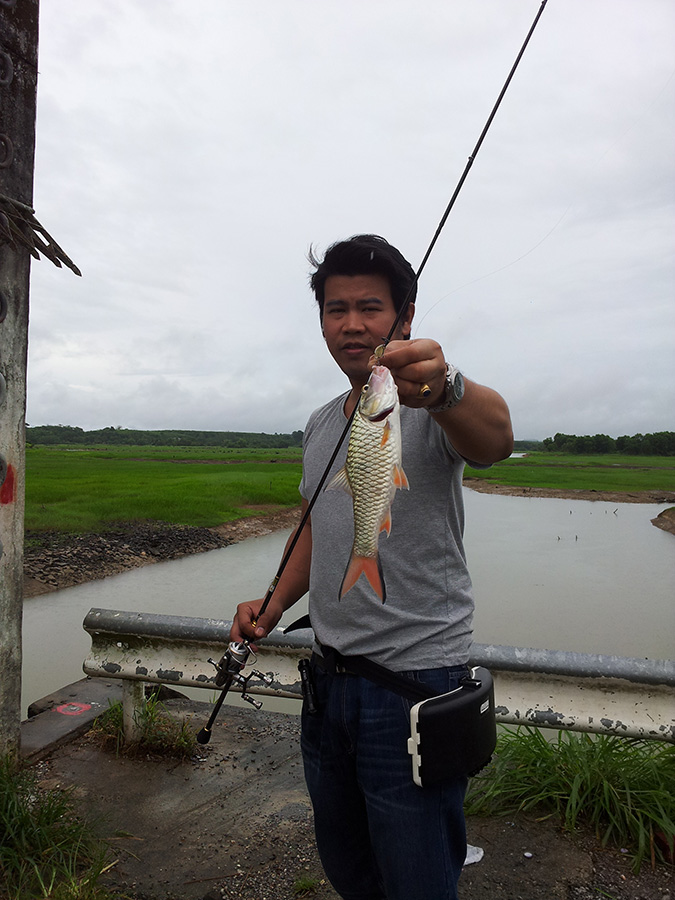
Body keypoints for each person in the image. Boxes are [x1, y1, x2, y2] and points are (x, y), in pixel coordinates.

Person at [231, 234, 513, 900]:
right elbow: (312, 527)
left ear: (404, 318)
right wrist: (272, 602)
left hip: (414, 686)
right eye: (336, 309)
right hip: (327, 684)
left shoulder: (424, 403)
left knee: (416, 876)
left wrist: (444, 389)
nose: (351, 324)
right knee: (349, 867)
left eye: (369, 307)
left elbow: (495, 439)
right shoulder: (322, 421)